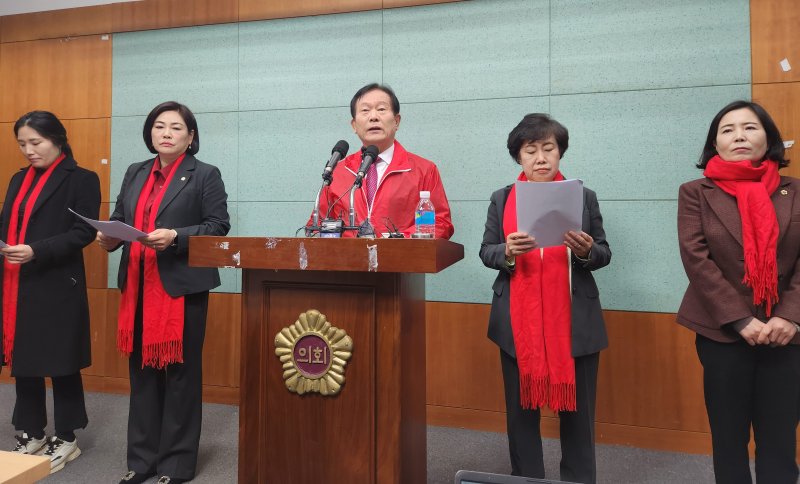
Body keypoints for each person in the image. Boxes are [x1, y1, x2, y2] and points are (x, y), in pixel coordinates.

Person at [97, 101, 230, 484]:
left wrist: (176, 236)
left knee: (180, 376)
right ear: (149, 133)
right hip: (138, 287)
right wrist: (108, 237)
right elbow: (121, 220)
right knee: (142, 376)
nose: (166, 133)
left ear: (190, 137)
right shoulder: (135, 172)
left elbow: (218, 225)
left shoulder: (205, 174)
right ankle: (141, 463)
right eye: (159, 126)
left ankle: (175, 465)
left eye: (176, 127)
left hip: (181, 288)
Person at [479, 113, 611, 483]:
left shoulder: (584, 197)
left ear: (560, 152)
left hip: (574, 320)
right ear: (518, 157)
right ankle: (527, 478)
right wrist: (507, 251)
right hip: (516, 323)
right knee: (521, 414)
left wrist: (586, 251)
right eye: (530, 150)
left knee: (579, 417)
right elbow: (486, 251)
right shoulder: (502, 198)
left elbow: (603, 253)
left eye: (548, 149)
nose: (540, 158)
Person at [677, 100, 800, 484]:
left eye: (750, 127)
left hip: (788, 335)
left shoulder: (795, 191)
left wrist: (789, 315)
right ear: (715, 144)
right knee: (728, 439)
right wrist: (740, 319)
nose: (740, 136)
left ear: (769, 138)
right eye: (728, 130)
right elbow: (697, 260)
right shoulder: (696, 192)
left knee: (779, 438)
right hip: (723, 333)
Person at [0, 111, 100, 473]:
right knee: (24, 361)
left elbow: (83, 233)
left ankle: (68, 437)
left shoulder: (82, 179)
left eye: (36, 142)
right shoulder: (17, 179)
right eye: (22, 144)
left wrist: (36, 249)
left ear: (57, 139)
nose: (29, 150)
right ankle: (32, 431)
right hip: (18, 282)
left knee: (61, 362)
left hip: (57, 283)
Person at [311, 83, 454, 238]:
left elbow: (440, 223)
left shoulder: (424, 170)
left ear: (396, 121)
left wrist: (396, 241)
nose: (373, 117)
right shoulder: (338, 171)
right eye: (365, 111)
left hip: (402, 259)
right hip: (349, 261)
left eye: (381, 109)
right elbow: (317, 226)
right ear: (354, 125)